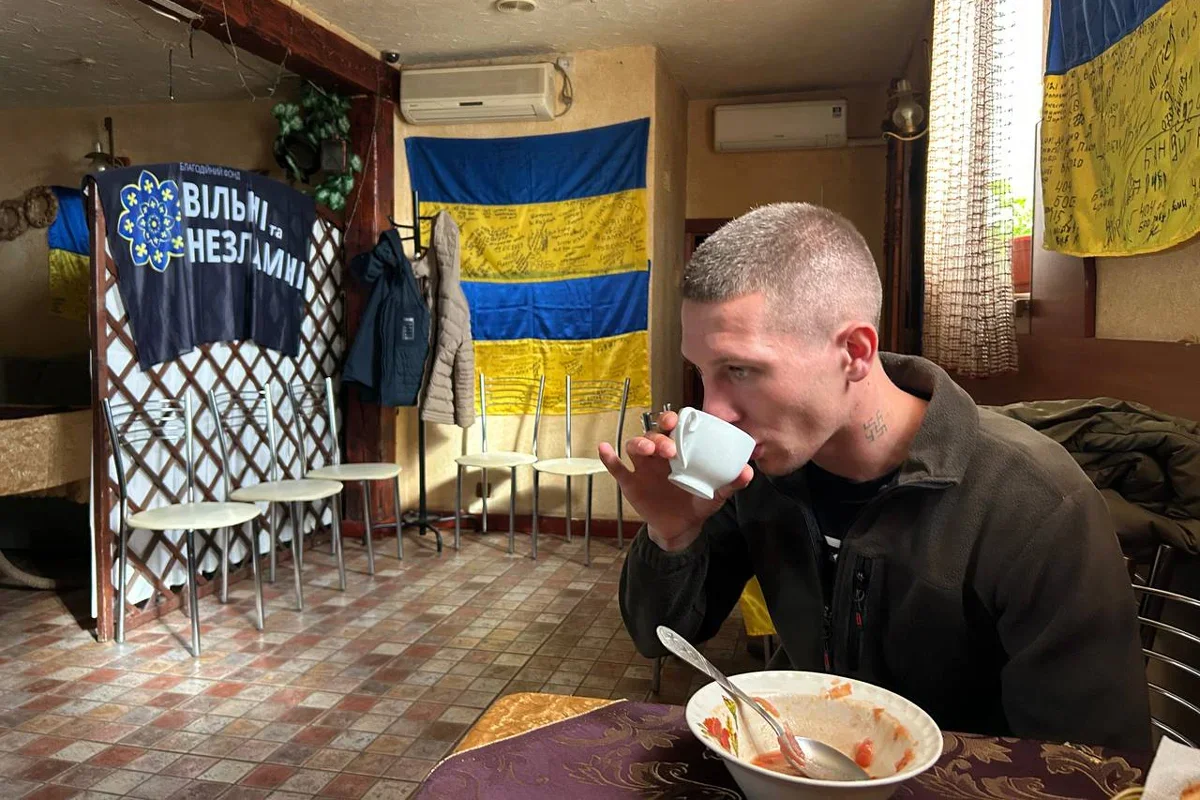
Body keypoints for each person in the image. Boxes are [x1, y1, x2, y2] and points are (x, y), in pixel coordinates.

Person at [598, 203, 1152, 751]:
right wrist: (672, 536)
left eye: (740, 370)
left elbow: (1092, 766)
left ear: (855, 352)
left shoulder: (1036, 504)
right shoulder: (759, 475)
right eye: (703, 372)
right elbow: (659, 640)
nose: (714, 410)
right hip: (805, 767)